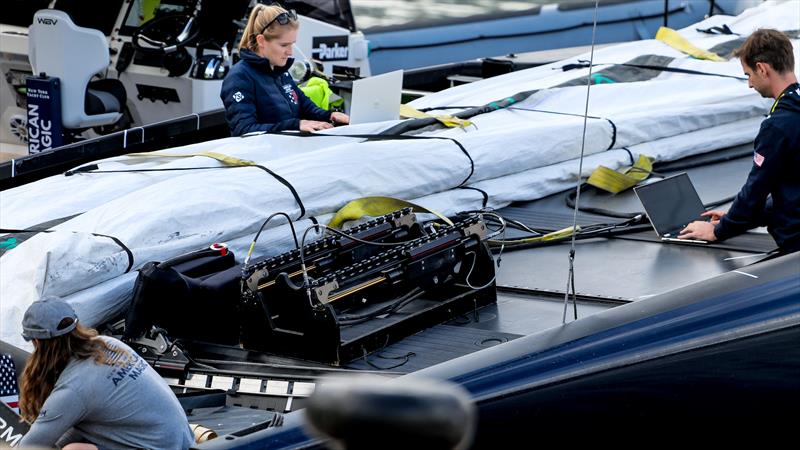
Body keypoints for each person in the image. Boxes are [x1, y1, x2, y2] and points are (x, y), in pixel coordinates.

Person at [679, 29, 800, 254]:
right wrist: (736, 217)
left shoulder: (777, 125)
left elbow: (757, 187)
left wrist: (719, 230)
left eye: (748, 75)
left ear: (762, 68)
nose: (750, 84)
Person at [17, 297, 194, 450]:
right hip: (181, 437)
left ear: (37, 343)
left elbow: (30, 446)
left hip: (161, 446)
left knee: (74, 449)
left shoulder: (73, 390)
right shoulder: (106, 343)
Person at [221, 4, 349, 136]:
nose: (290, 52)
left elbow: (307, 108)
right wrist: (296, 125)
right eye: (284, 45)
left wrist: (331, 115)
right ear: (261, 41)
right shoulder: (239, 77)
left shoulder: (281, 71)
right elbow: (243, 130)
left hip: (289, 151)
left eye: (292, 44)